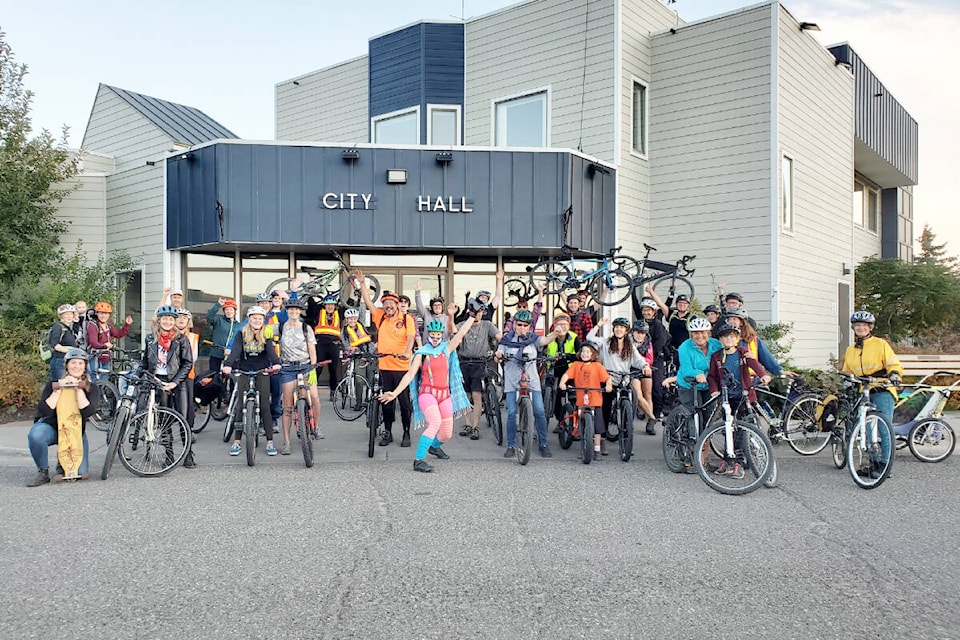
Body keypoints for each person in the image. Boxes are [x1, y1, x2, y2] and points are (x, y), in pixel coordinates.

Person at [378, 315, 477, 472]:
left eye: (439, 335)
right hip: (427, 394)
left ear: (442, 335)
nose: (436, 338)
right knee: (435, 423)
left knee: (446, 434)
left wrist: (473, 316)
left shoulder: (446, 349)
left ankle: (433, 447)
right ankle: (418, 460)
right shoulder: (421, 353)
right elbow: (410, 375)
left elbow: (460, 334)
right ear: (428, 334)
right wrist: (395, 393)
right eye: (433, 335)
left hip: (444, 395)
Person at [494, 309, 564, 459]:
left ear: (529, 326)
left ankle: (543, 444)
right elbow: (499, 353)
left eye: (526, 325)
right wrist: (498, 355)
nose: (522, 328)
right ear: (514, 325)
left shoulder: (533, 338)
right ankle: (511, 445)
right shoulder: (506, 339)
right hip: (512, 381)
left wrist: (556, 333)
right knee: (512, 412)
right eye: (519, 325)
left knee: (539, 411)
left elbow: (544, 340)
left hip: (531, 379)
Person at [26, 348, 100, 486]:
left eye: (80, 363)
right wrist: (59, 389)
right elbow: (44, 411)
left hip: (75, 432)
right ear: (66, 365)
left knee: (78, 472)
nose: (76, 366)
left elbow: (88, 411)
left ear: (85, 366)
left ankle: (62, 462)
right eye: (73, 363)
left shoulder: (91, 387)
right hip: (53, 428)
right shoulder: (53, 384)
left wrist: (78, 388)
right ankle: (43, 472)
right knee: (36, 435)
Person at [357, 275, 416, 447]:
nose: (388, 306)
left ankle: (406, 432)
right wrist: (362, 284)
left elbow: (411, 337)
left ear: (397, 304)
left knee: (404, 403)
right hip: (385, 366)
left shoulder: (406, 319)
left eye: (391, 303)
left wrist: (406, 352)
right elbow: (368, 301)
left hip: (402, 367)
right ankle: (388, 432)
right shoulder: (380, 316)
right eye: (385, 303)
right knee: (386, 403)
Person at [707, 322, 770, 478]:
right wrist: (714, 390)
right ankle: (728, 458)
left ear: (737, 339)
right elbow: (711, 376)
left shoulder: (743, 353)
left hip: (745, 396)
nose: (728, 339)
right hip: (728, 397)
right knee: (728, 429)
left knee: (742, 429)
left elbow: (754, 364)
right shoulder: (717, 357)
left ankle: (739, 462)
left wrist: (763, 375)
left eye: (732, 336)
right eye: (725, 337)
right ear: (721, 340)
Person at [223, 305, 282, 456]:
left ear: (263, 320)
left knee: (264, 406)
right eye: (254, 318)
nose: (257, 321)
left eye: (260, 318)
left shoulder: (266, 333)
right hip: (244, 370)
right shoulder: (241, 333)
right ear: (249, 319)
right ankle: (237, 442)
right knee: (240, 406)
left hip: (262, 371)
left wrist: (276, 363)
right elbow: (236, 350)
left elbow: (270, 351)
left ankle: (270, 442)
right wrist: (228, 364)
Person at [142, 305, 195, 463]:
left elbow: (187, 363)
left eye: (171, 319)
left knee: (183, 418)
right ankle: (169, 454)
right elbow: (145, 362)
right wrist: (139, 374)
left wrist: (175, 382)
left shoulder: (181, 339)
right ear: (159, 321)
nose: (167, 322)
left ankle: (188, 454)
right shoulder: (151, 339)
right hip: (158, 381)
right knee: (164, 419)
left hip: (177, 382)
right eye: (164, 319)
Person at [587, 317, 652, 439]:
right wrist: (599, 325)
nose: (618, 329)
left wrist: (645, 365)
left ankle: (627, 440)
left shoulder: (630, 346)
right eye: (616, 327)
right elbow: (589, 338)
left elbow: (638, 359)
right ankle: (602, 437)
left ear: (626, 331)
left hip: (623, 379)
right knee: (605, 407)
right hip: (608, 379)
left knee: (627, 407)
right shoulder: (606, 342)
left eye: (621, 328)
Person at [841, 309, 903, 426]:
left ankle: (887, 445)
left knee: (884, 428)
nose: (861, 328)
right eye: (857, 325)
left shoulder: (880, 344)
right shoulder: (851, 350)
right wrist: (846, 382)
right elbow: (847, 371)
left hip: (881, 388)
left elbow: (892, 363)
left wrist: (894, 373)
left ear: (870, 327)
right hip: (862, 392)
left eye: (864, 325)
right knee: (866, 428)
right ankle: (869, 445)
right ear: (853, 328)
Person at [278, 294, 322, 453]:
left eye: (297, 309)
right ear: (287, 310)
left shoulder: (306, 328)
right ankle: (286, 442)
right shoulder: (280, 327)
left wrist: (313, 366)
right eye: (291, 309)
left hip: (305, 366)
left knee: (315, 397)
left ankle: (316, 427)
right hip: (288, 368)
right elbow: (266, 335)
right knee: (288, 407)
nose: (294, 312)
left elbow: (312, 349)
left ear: (299, 311)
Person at [453, 298, 501, 439]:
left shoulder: (487, 325)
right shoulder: (463, 324)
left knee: (476, 395)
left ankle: (476, 426)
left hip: (479, 362)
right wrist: (451, 316)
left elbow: (500, 336)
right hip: (464, 362)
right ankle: (467, 424)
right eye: (475, 312)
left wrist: (502, 349)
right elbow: (452, 331)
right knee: (466, 396)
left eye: (480, 312)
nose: (478, 315)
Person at [559, 341, 613, 460]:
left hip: (596, 400)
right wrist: (562, 382)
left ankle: (597, 450)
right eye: (583, 351)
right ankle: (583, 448)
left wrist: (609, 386)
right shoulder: (576, 365)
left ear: (593, 354)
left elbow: (607, 378)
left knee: (598, 428)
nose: (585, 354)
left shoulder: (597, 366)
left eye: (588, 352)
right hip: (581, 401)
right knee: (582, 425)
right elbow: (567, 375)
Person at [633, 286, 672, 418]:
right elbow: (635, 306)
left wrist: (649, 355)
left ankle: (656, 413)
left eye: (649, 311)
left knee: (656, 387)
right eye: (644, 310)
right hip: (639, 358)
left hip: (655, 358)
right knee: (640, 387)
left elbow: (660, 342)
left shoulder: (657, 325)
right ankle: (643, 410)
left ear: (654, 312)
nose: (646, 313)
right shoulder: (640, 322)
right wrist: (633, 290)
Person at [673, 317, 722, 413]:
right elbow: (686, 369)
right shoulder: (684, 347)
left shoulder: (716, 345)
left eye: (703, 332)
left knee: (710, 414)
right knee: (695, 413)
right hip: (688, 385)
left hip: (709, 384)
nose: (700, 336)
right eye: (696, 333)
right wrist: (698, 373)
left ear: (708, 333)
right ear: (691, 335)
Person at [543, 313, 580, 428]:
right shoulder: (549, 337)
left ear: (569, 326)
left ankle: (576, 422)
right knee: (555, 395)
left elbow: (580, 354)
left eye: (565, 324)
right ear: (554, 326)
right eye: (559, 324)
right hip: (554, 369)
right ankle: (560, 421)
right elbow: (542, 351)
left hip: (570, 370)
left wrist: (567, 355)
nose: (562, 327)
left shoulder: (574, 337)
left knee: (575, 395)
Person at [86, 301, 134, 380]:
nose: (103, 316)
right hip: (95, 358)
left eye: (106, 313)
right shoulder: (92, 325)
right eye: (101, 313)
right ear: (97, 313)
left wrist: (127, 325)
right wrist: (105, 345)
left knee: (104, 381)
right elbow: (93, 342)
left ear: (109, 315)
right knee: (95, 381)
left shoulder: (108, 325)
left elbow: (118, 334)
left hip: (106, 357)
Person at [174, 308, 200, 450]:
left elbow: (193, 358)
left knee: (188, 404)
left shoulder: (193, 337)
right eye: (179, 318)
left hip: (187, 375)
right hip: (171, 375)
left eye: (185, 318)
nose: (182, 320)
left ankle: (188, 430)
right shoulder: (170, 335)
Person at [313, 293, 343, 402]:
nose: (330, 307)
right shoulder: (318, 313)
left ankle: (333, 392)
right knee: (318, 369)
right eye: (328, 304)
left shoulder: (339, 313)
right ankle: (313, 390)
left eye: (332, 304)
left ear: (335, 305)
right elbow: (311, 303)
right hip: (321, 345)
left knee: (333, 370)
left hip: (334, 345)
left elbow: (349, 302)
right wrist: (313, 289)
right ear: (324, 305)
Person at [631, 319, 657, 430]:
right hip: (632, 370)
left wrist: (642, 362)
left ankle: (649, 423)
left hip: (645, 369)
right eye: (638, 332)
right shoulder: (628, 341)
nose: (640, 335)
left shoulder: (648, 342)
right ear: (633, 332)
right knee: (638, 395)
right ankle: (652, 417)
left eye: (642, 333)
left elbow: (650, 359)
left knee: (648, 395)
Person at [206, 297, 240, 371]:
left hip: (231, 356)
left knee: (231, 378)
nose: (229, 311)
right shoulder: (219, 320)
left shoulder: (238, 325)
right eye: (226, 309)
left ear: (235, 311)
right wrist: (218, 305)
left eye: (231, 309)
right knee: (214, 376)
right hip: (216, 354)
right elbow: (209, 317)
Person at [47, 304, 79, 381]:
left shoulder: (68, 328)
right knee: (61, 385)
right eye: (66, 314)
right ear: (61, 316)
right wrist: (70, 351)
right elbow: (55, 345)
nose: (69, 316)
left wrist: (76, 322)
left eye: (71, 314)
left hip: (67, 360)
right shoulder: (58, 327)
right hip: (59, 360)